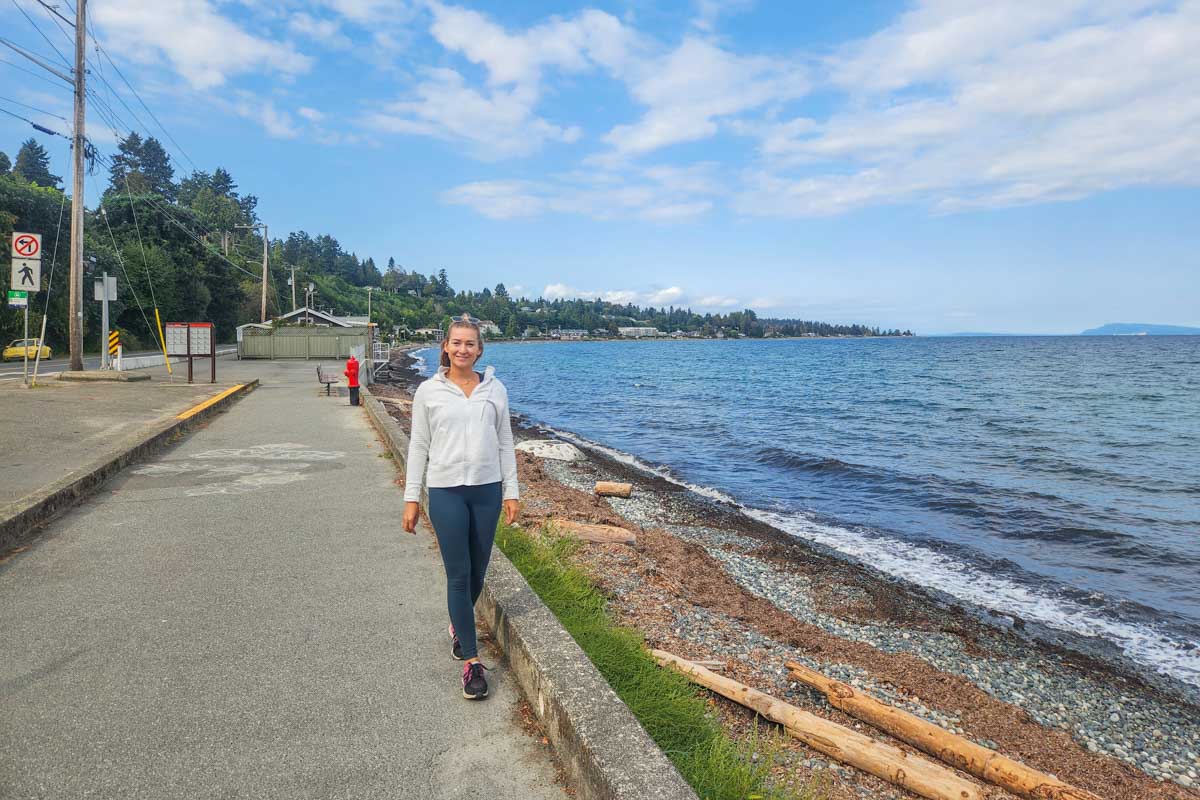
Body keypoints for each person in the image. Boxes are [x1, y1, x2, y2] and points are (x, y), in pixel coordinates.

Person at [402, 314, 520, 700]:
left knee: (478, 573)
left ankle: (458, 623)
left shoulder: (495, 390)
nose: (463, 349)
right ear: (445, 347)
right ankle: (471, 663)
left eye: (470, 343)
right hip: (446, 491)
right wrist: (412, 498)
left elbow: (505, 442)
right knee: (458, 574)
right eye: (456, 343)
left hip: (486, 491)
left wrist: (511, 492)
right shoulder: (428, 392)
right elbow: (419, 445)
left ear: (480, 348)